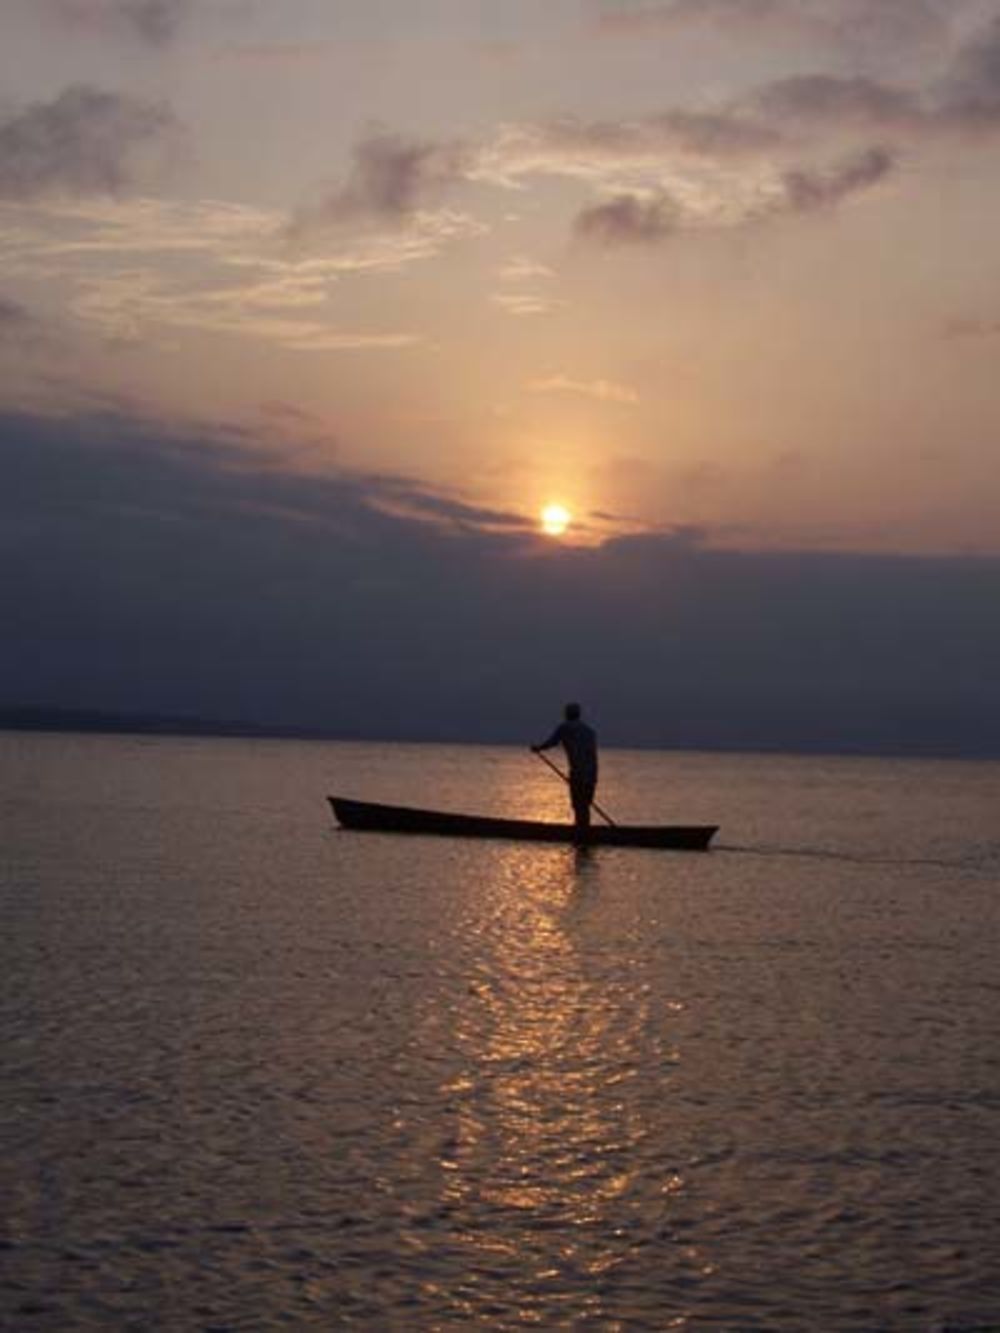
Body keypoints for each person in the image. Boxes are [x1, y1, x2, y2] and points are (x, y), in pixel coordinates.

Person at [532, 702, 599, 835]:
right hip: (592, 773)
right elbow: (592, 755)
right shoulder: (590, 731)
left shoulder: (565, 728)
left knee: (578, 805)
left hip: (578, 773)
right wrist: (594, 776)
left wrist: (538, 748)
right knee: (585, 805)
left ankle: (581, 833)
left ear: (567, 715)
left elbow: (552, 742)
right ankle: (584, 833)